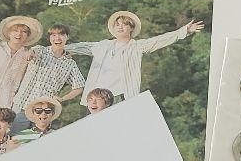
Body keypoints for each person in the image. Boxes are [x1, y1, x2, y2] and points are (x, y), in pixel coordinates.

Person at [68, 11, 204, 105]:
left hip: (119, 96)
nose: (120, 27)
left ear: (131, 28)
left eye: (124, 24)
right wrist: (62, 48)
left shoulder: (137, 47)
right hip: (96, 97)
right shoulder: (103, 45)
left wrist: (185, 31)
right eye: (117, 24)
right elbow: (82, 46)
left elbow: (159, 40)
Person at [10, 24, 85, 132]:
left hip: (44, 112)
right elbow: (31, 52)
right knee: (14, 137)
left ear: (67, 37)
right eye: (53, 35)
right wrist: (30, 54)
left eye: (61, 35)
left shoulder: (70, 63)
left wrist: (62, 98)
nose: (57, 38)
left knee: (39, 139)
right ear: (50, 38)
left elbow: (79, 87)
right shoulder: (41, 50)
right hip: (21, 104)